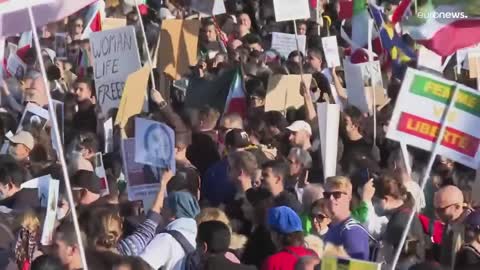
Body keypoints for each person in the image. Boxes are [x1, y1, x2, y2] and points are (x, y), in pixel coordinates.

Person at [374, 173, 426, 268]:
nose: (375, 205)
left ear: (386, 199)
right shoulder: (406, 214)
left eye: (376, 200)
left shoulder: (399, 220)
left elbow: (406, 255)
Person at [140, 191, 200, 270]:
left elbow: (140, 266)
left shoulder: (166, 239)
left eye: (164, 207)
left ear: (174, 213)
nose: (161, 210)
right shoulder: (199, 236)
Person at [323, 176, 370, 260]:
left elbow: (356, 267)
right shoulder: (333, 227)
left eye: (337, 194)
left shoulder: (352, 231)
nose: (331, 199)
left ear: (349, 197)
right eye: (327, 195)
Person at [435, 185, 473, 269]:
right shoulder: (448, 223)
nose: (437, 213)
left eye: (441, 210)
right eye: (436, 209)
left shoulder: (471, 229)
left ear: (457, 207)